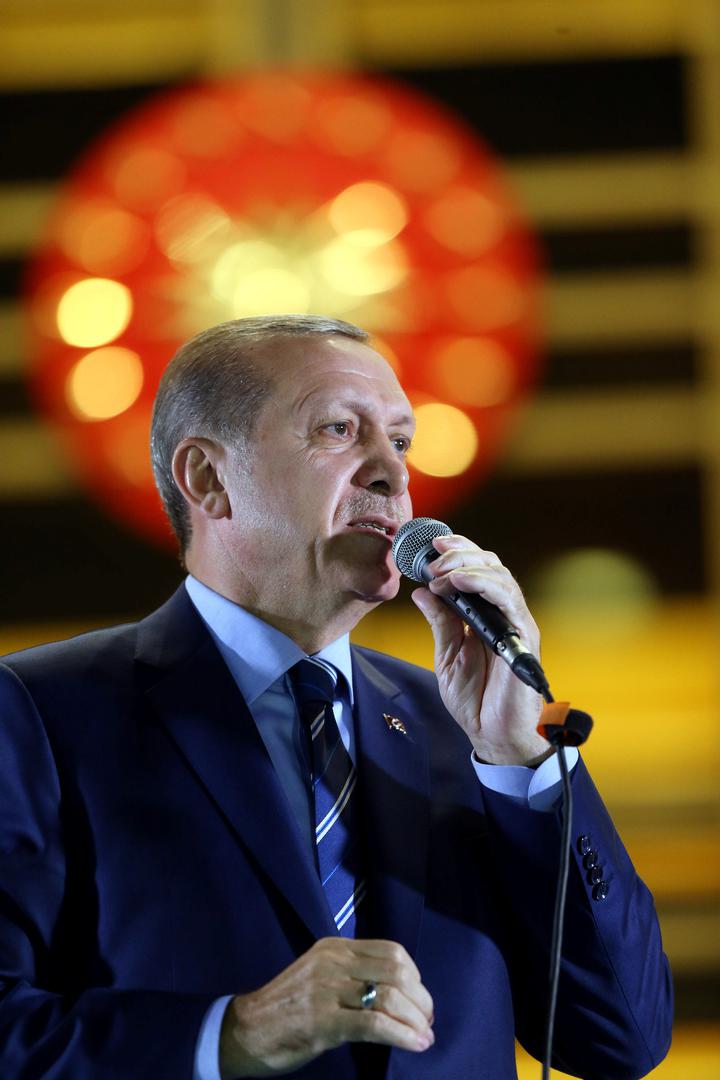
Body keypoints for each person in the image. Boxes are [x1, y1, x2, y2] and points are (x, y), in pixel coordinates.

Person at [0, 315, 672, 1079]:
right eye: (339, 430)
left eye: (401, 441)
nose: (393, 475)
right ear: (208, 479)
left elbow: (621, 1037)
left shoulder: (467, 726)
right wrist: (233, 1034)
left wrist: (523, 762)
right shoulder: (38, 714)